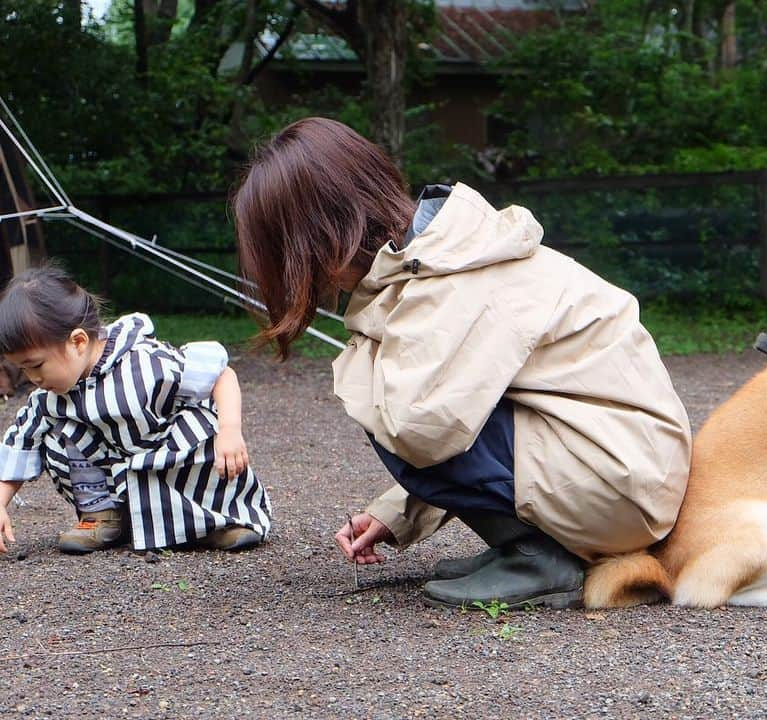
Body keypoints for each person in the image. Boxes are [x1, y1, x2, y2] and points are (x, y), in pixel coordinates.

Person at [232, 117, 691, 609]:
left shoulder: (447, 281)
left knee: (381, 397)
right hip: (620, 469)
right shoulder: (445, 256)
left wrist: (363, 357)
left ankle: (539, 556)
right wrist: (397, 512)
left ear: (319, 234)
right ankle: (528, 544)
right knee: (399, 395)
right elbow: (460, 415)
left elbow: (422, 430)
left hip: (618, 485)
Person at [0, 266, 272, 555]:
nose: (33, 379)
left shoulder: (144, 363)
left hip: (172, 463)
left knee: (200, 426)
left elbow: (220, 373)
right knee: (51, 431)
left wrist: (229, 430)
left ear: (78, 341)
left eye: (37, 365)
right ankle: (103, 516)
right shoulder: (48, 397)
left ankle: (217, 520)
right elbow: (20, 443)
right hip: (120, 482)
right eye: (24, 370)